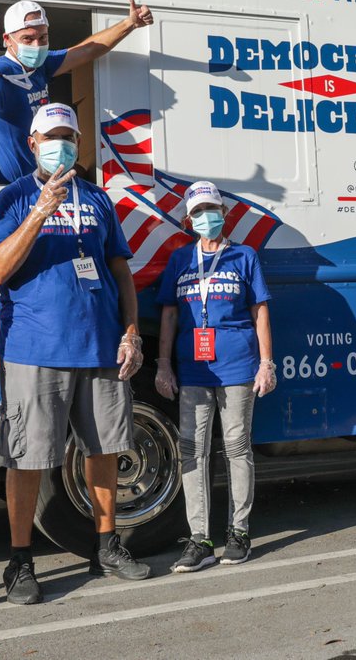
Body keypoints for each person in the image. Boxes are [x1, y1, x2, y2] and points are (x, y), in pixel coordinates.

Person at [0, 102, 149, 604]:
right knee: (27, 457)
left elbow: (119, 271)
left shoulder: (98, 199)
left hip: (100, 346)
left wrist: (132, 332)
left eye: (69, 136)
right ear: (32, 143)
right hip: (36, 349)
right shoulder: (13, 197)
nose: (61, 144)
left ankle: (108, 545)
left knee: (105, 450)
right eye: (51, 136)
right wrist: (40, 211)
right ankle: (20, 562)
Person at [154, 181, 276, 572]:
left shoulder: (244, 256)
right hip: (193, 369)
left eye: (211, 209)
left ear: (224, 213)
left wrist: (267, 363)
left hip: (238, 367)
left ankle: (239, 533)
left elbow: (259, 311)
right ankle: (200, 540)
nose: (206, 217)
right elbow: (169, 313)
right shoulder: (180, 259)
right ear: (189, 220)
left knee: (237, 448)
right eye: (198, 212)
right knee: (192, 450)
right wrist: (163, 364)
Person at [0, 0, 154, 183]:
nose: (37, 46)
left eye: (43, 37)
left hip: (45, 183)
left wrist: (130, 23)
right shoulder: (1, 70)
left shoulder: (42, 64)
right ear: (7, 39)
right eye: (28, 39)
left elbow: (88, 50)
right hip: (11, 188)